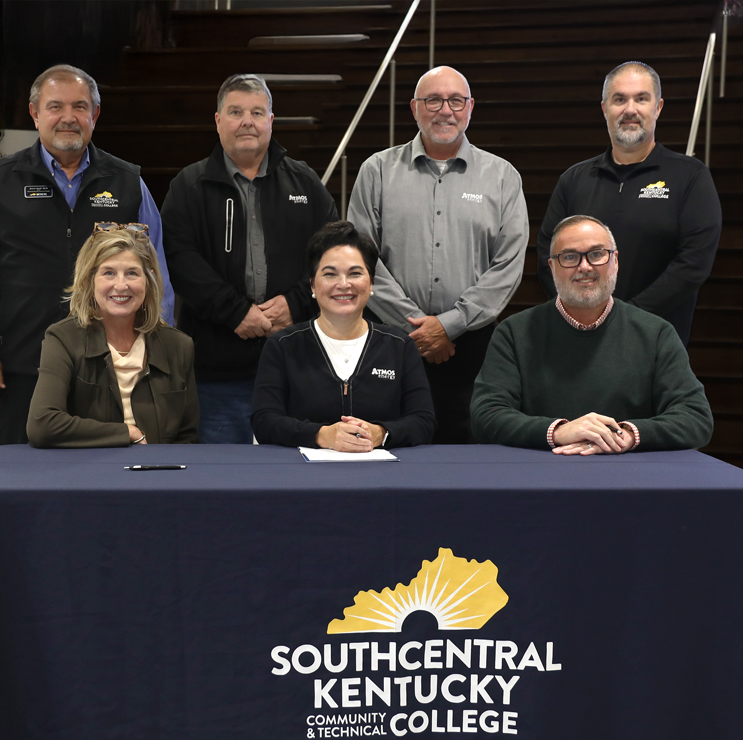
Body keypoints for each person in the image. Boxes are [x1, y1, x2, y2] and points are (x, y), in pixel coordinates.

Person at [0, 64, 175, 446]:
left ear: (95, 114)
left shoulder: (128, 183)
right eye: (55, 107)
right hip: (24, 366)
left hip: (114, 369)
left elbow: (157, 278)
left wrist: (158, 348)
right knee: (23, 487)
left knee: (109, 487)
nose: (68, 118)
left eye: (79, 107)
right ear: (35, 113)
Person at [347, 65, 528, 444]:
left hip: (473, 347)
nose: (445, 110)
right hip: (392, 342)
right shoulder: (376, 171)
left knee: (468, 457)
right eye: (433, 100)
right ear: (414, 108)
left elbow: (508, 265)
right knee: (391, 448)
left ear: (470, 108)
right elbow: (359, 259)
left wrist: (449, 325)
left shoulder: (502, 176)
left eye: (456, 100)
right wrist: (417, 326)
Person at [161, 73, 339, 444]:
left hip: (298, 366)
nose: (247, 121)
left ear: (271, 121)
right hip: (217, 375)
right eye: (236, 111)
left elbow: (331, 253)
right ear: (218, 120)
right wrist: (235, 312)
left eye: (257, 113)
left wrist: (295, 301)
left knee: (295, 481)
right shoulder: (188, 186)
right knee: (223, 483)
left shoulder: (306, 183)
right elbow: (180, 260)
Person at [471, 215, 713, 454]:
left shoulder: (656, 333)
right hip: (540, 477)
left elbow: (696, 417)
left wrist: (622, 435)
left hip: (631, 479)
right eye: (569, 257)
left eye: (597, 254)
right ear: (552, 267)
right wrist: (557, 431)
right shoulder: (514, 332)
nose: (584, 266)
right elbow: (486, 415)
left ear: (615, 261)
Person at [536, 61, 722, 347]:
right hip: (579, 340)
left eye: (641, 99)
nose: (630, 109)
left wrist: (625, 316)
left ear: (658, 107)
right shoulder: (574, 179)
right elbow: (547, 254)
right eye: (619, 99)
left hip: (655, 340)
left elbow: (693, 264)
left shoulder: (690, 177)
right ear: (604, 109)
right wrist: (583, 314)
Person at [251, 221, 436, 450]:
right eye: (330, 274)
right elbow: (264, 421)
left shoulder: (400, 346)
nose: (344, 284)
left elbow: (423, 421)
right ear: (313, 285)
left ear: (371, 284)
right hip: (302, 477)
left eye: (355, 273)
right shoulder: (282, 346)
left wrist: (380, 433)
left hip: (383, 477)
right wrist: (322, 435)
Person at [27, 225, 198, 448]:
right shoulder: (62, 339)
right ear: (90, 279)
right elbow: (42, 424)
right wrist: (126, 433)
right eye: (108, 273)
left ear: (150, 279)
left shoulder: (179, 345)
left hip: (157, 476)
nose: (121, 285)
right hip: (89, 474)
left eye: (132, 273)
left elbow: (188, 438)